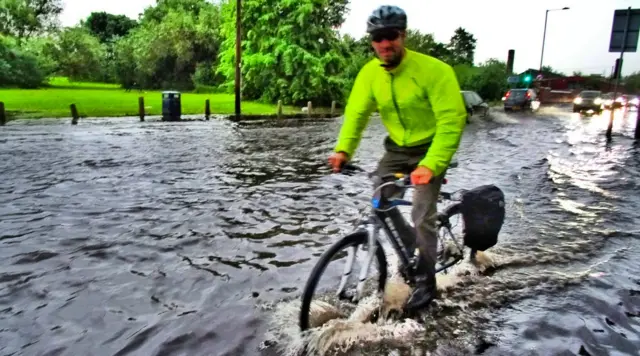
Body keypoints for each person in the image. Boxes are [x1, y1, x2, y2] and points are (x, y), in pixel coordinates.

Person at [328, 5, 467, 311]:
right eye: (378, 37)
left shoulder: (435, 71)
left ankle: (426, 282)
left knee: (421, 213)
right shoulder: (369, 74)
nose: (385, 43)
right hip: (396, 149)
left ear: (403, 35)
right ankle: (411, 253)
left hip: (431, 148)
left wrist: (431, 164)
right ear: (372, 41)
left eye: (391, 36)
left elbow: (452, 120)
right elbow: (356, 115)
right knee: (380, 200)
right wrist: (343, 151)